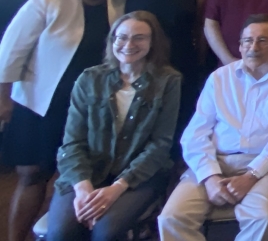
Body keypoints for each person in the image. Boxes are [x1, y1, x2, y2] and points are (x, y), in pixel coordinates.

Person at [0, 0, 126, 241]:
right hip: (40, 104)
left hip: (89, 108)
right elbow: (10, 52)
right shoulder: (46, 1)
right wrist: (3, 99)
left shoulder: (118, 7)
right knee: (32, 174)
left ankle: (58, 232)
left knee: (73, 177)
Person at [159, 15, 268, 241]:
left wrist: (251, 175)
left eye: (263, 40)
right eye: (247, 41)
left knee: (263, 218)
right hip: (216, 160)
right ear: (240, 45)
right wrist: (210, 177)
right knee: (171, 218)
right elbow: (195, 133)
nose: (253, 47)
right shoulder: (220, 77)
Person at [47, 12, 182, 241]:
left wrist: (116, 189)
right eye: (122, 37)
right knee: (62, 233)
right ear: (112, 41)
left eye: (139, 38)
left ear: (152, 43)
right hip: (85, 173)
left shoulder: (168, 81)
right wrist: (83, 190)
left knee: (105, 232)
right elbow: (72, 142)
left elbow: (160, 145)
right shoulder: (89, 79)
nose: (129, 44)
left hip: (138, 177)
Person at [124, 0, 209, 139]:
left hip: (179, 60)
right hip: (136, 58)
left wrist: (200, 61)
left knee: (176, 117)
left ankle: (170, 165)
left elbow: (200, 26)